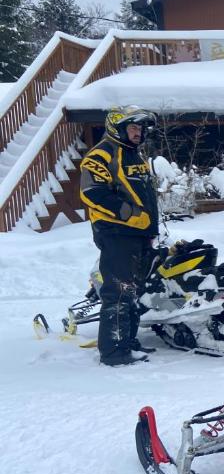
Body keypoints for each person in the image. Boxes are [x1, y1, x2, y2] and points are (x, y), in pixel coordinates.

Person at [79, 106, 160, 366]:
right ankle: (114, 352)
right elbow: (93, 192)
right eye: (133, 128)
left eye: (140, 129)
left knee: (134, 291)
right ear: (118, 128)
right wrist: (131, 215)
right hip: (117, 234)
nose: (138, 133)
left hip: (140, 235)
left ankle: (128, 341)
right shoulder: (102, 154)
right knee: (119, 292)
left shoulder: (133, 155)